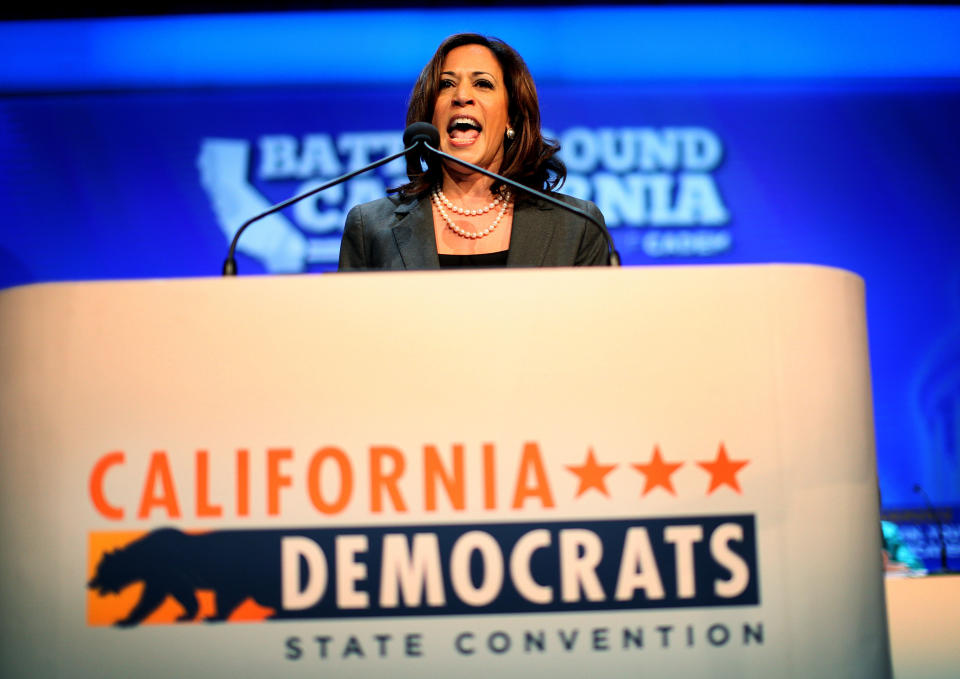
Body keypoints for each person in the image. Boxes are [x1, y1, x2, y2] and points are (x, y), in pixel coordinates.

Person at [338, 33, 609, 270]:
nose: (461, 96)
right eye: (446, 84)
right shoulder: (371, 228)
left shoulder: (577, 225)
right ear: (430, 116)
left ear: (510, 119)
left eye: (482, 83)